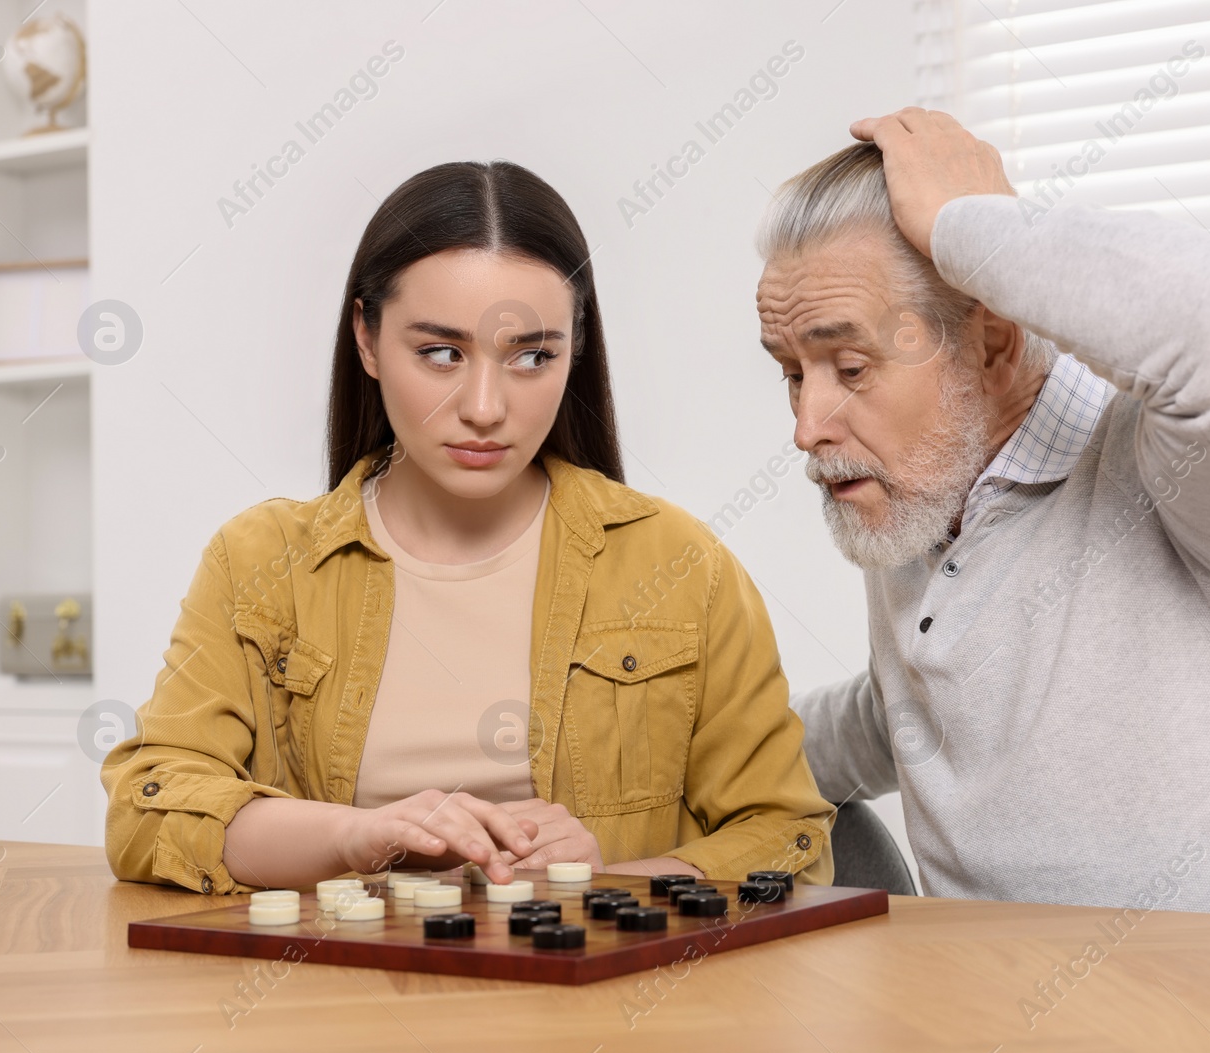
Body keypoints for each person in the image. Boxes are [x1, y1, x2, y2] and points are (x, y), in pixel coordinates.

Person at [758, 108, 1210, 924]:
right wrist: (705, 769)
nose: (808, 426)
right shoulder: (924, 496)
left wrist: (976, 228)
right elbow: (903, 710)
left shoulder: (1192, 469)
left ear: (993, 340)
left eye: (849, 365)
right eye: (792, 374)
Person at [102, 160, 832, 894]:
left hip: (590, 1007)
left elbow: (788, 838)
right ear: (366, 338)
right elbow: (150, 811)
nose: (484, 405)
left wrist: (605, 876)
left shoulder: (681, 567)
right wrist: (358, 836)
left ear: (575, 351)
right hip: (329, 1004)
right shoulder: (259, 564)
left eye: (533, 356)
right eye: (441, 353)